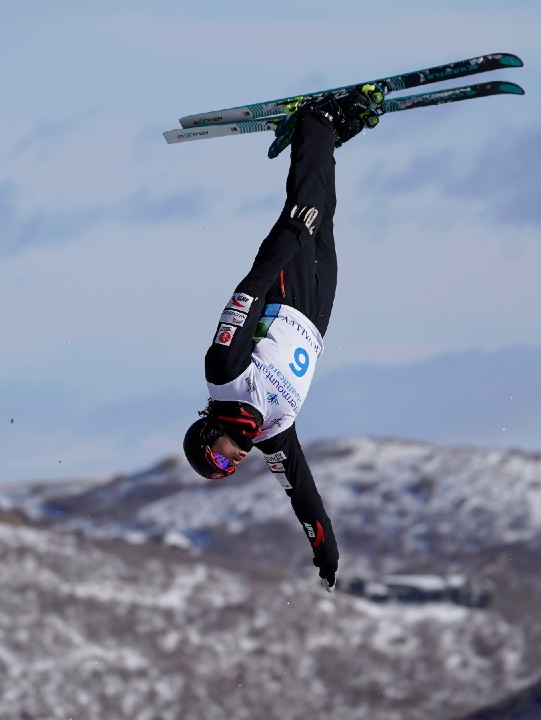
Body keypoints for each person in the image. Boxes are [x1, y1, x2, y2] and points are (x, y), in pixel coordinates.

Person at [182, 85, 384, 592]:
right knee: (327, 214)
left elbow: (247, 292)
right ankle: (325, 138)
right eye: (232, 466)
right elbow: (302, 494)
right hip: (317, 317)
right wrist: (325, 548)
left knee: (307, 208)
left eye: (225, 456)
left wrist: (286, 236)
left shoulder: (224, 375)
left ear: (210, 435)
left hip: (284, 291)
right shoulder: (272, 431)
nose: (237, 457)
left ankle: (317, 122)